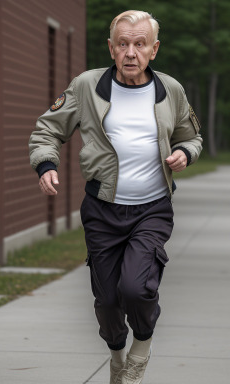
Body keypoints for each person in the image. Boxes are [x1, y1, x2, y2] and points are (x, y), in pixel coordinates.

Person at [29, 10, 202, 384]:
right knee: (107, 301)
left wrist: (186, 153)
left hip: (152, 209)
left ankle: (141, 347)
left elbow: (191, 136)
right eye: (122, 43)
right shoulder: (86, 86)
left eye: (140, 44)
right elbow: (47, 129)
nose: (130, 52)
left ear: (154, 50)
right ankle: (117, 353)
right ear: (111, 47)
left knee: (136, 289)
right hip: (102, 210)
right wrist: (46, 165)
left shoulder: (169, 90)